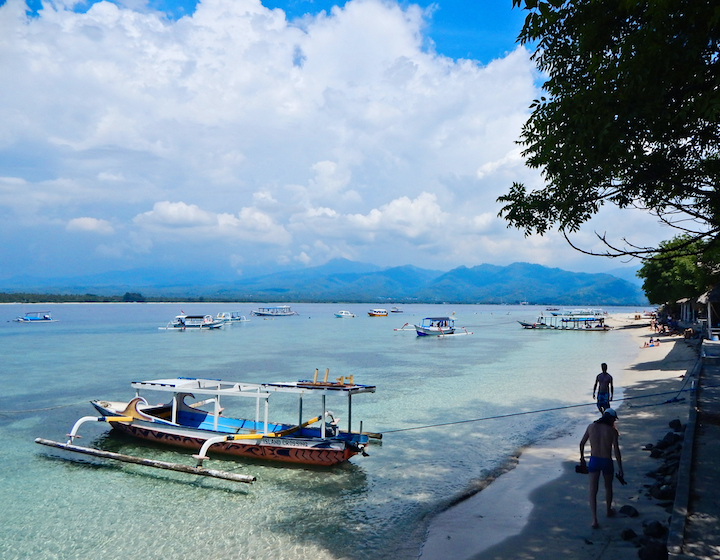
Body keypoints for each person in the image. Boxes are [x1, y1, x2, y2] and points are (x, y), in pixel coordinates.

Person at [579, 408, 623, 528]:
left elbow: (582, 443)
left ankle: (594, 520)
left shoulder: (591, 427)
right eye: (614, 419)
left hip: (594, 461)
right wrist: (620, 468)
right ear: (611, 419)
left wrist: (582, 458)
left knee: (593, 490)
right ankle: (608, 510)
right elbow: (616, 451)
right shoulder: (612, 431)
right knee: (608, 487)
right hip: (606, 461)